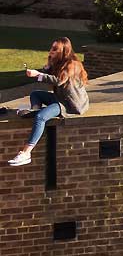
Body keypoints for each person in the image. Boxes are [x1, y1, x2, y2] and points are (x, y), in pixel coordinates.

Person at [7, 37, 90, 166]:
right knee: (36, 94)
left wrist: (38, 75)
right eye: (52, 48)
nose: (51, 51)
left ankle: (26, 153)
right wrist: (47, 67)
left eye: (55, 49)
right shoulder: (59, 63)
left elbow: (59, 81)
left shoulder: (72, 64)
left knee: (41, 118)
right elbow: (52, 76)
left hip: (70, 104)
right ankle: (34, 111)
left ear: (64, 50)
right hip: (60, 98)